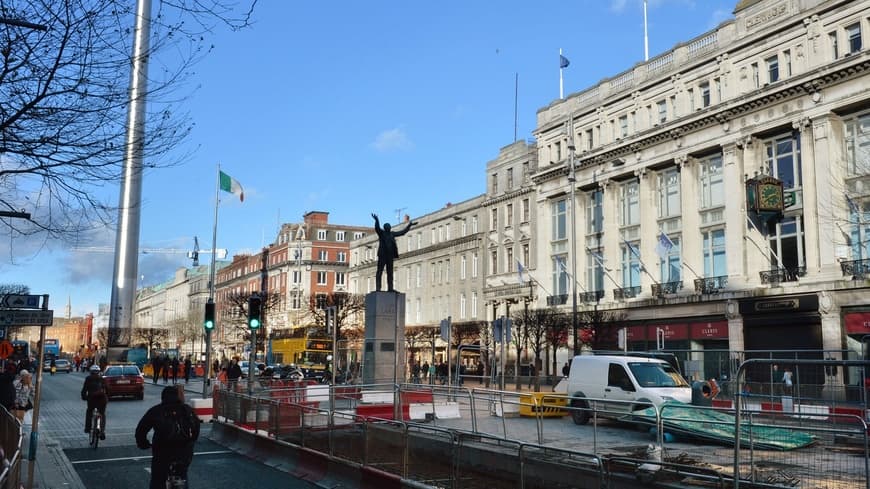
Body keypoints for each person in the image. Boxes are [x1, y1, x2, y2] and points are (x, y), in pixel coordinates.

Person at [135, 386, 201, 489]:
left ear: (163, 397)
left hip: (162, 453)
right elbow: (196, 427)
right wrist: (191, 442)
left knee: (158, 480)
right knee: (181, 476)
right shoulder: (187, 410)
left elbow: (141, 430)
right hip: (183, 454)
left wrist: (143, 444)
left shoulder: (156, 410)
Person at [371, 213, 417, 292]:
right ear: (385, 228)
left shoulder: (392, 234)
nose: (388, 228)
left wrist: (409, 225)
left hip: (390, 256)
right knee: (379, 272)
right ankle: (378, 288)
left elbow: (402, 232)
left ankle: (390, 288)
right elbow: (377, 228)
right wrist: (377, 220)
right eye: (387, 227)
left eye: (389, 227)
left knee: (390, 273)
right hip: (382, 255)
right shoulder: (382, 233)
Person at [81, 364, 108, 438]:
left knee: (89, 411)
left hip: (92, 399)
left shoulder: (88, 378)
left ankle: (87, 428)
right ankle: (102, 431)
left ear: (91, 372)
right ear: (98, 372)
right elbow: (107, 389)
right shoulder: (102, 379)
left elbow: (84, 390)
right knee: (102, 414)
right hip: (102, 399)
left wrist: (84, 397)